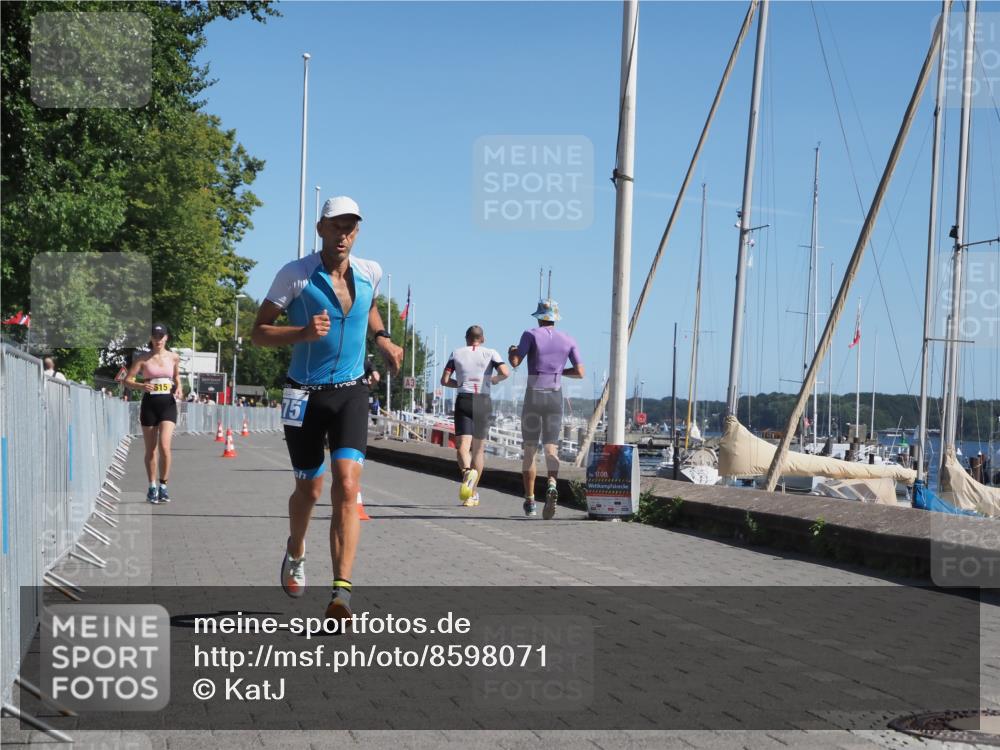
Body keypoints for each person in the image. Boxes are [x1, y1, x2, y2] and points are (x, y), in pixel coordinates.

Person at [251, 196, 403, 623]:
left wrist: (384, 340)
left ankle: (341, 594)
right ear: (321, 229)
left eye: (351, 228)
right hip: (303, 394)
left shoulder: (370, 272)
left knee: (347, 482)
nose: (344, 235)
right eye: (336, 226)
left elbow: (370, 308)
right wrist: (300, 332)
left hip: (351, 392)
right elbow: (258, 333)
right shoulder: (295, 275)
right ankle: (296, 549)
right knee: (310, 489)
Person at [508, 299, 584, 519]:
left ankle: (530, 501)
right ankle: (551, 482)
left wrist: (512, 351)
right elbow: (580, 371)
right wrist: (560, 373)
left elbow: (515, 362)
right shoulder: (568, 339)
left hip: (534, 395)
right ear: (555, 318)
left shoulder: (530, 335)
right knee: (551, 448)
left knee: (530, 451)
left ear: (539, 317)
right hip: (554, 395)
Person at [441, 325, 509, 507]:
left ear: (466, 338)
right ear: (483, 339)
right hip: (483, 401)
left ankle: (466, 473)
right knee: (478, 450)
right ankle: (472, 495)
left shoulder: (456, 353)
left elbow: (445, 380)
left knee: (463, 447)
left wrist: (461, 384)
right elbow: (505, 372)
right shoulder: (491, 353)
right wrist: (493, 380)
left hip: (464, 398)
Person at [124, 323, 182, 504]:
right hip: (149, 404)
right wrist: (141, 385)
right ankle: (152, 487)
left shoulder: (174, 357)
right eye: (155, 336)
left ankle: (163, 485)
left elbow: (177, 377)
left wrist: (179, 387)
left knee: (164, 446)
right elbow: (127, 380)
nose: (158, 340)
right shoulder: (143, 358)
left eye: (161, 336)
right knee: (151, 449)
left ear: (166, 338)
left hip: (168, 405)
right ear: (151, 338)